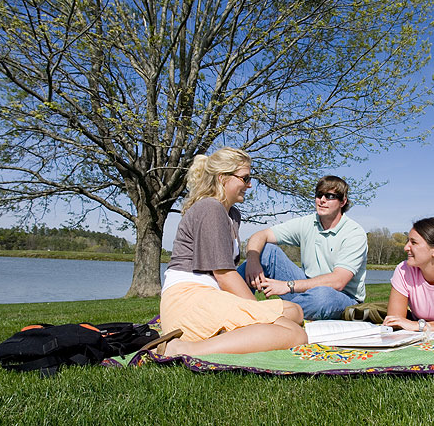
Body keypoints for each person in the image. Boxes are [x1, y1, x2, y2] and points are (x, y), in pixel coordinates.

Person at [143, 147, 307, 356]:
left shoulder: (232, 215)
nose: (249, 185)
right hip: (188, 300)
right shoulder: (210, 208)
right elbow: (225, 275)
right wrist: (257, 312)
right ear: (222, 178)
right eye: (245, 178)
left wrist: (258, 314)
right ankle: (184, 348)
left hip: (208, 296)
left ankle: (224, 337)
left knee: (295, 312)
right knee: (295, 334)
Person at [239, 175, 368, 320]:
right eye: (319, 195)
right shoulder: (308, 223)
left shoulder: (354, 233)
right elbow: (261, 235)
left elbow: (338, 281)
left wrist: (288, 286)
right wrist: (252, 260)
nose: (322, 200)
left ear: (343, 201)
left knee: (322, 297)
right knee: (266, 251)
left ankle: (262, 314)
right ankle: (224, 303)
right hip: (305, 289)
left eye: (330, 196)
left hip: (341, 297)